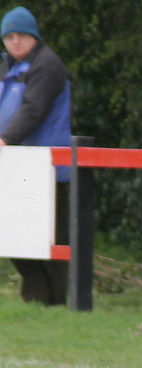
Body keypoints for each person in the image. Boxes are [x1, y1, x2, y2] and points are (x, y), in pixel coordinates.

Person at [0, 6, 71, 305]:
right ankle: (39, 302)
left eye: (22, 36)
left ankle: (54, 305)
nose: (15, 41)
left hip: (49, 168)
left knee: (52, 240)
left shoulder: (47, 64)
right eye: (9, 36)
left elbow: (33, 109)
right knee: (16, 237)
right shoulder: (7, 65)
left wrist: (4, 139)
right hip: (17, 165)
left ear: (34, 37)